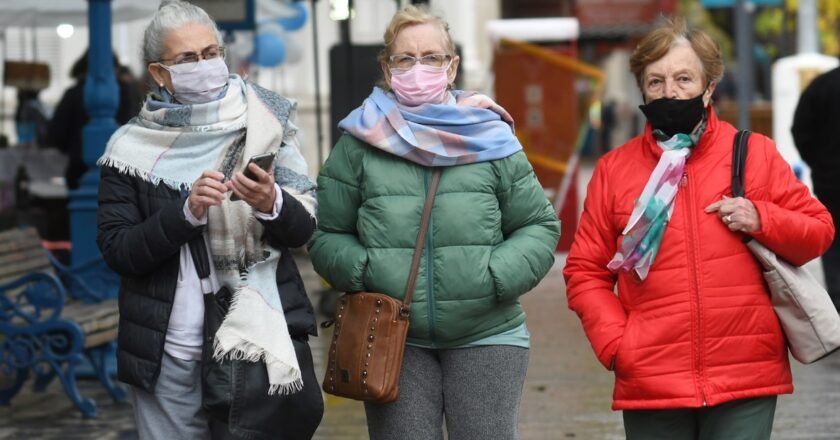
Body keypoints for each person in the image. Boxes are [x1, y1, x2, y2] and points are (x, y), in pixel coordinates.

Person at [563, 18, 834, 440]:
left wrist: (761, 217)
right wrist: (619, 345)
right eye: (655, 82)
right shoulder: (614, 171)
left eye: (683, 79)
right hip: (651, 378)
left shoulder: (755, 154)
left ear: (709, 87)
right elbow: (585, 271)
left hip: (745, 375)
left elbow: (818, 231)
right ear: (643, 89)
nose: (669, 92)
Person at [307, 5, 560, 439]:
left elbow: (539, 226)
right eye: (405, 58)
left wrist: (494, 277)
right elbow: (326, 233)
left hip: (487, 333)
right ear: (388, 68)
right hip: (393, 339)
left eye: (431, 57)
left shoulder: (491, 136)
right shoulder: (359, 144)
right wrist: (368, 270)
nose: (417, 68)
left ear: (452, 65)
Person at [95, 1, 323, 439]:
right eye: (188, 59)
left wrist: (271, 201)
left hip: (254, 338)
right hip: (168, 347)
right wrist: (186, 214)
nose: (205, 65)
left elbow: (306, 229)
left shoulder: (266, 121)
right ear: (160, 73)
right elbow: (119, 250)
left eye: (211, 52)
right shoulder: (128, 148)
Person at [49, 50, 143, 189]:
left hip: (79, 168)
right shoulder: (123, 92)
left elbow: (57, 135)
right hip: (121, 167)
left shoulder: (72, 94)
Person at [791, 66, 840, 314]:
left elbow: (800, 130)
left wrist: (817, 162)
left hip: (830, 180)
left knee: (834, 241)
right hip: (829, 175)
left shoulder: (821, 86)